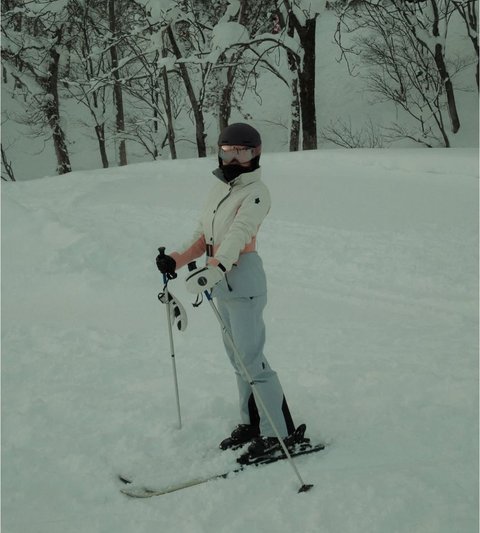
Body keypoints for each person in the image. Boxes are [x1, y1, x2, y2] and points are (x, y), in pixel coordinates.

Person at [156, 123, 307, 460]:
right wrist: (176, 260)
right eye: (229, 152)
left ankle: (278, 434)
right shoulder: (218, 189)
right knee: (237, 360)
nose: (236, 159)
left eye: (244, 152)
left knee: (252, 359)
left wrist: (216, 267)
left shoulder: (256, 193)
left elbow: (237, 236)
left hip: (243, 280)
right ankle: (253, 423)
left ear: (256, 154)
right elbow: (203, 236)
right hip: (220, 282)